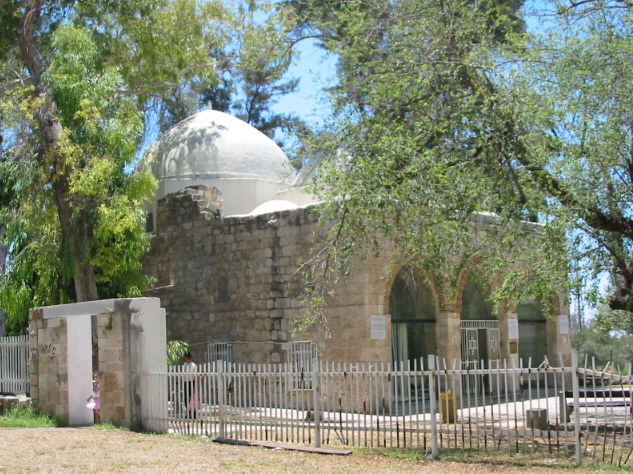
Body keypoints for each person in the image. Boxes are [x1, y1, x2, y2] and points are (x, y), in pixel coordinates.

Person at [182, 352, 198, 419]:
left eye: (185, 357)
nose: (184, 358)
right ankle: (188, 413)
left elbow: (194, 375)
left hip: (192, 382)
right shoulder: (184, 364)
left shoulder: (193, 365)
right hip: (185, 382)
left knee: (192, 399)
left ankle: (194, 414)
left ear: (189, 358)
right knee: (186, 399)